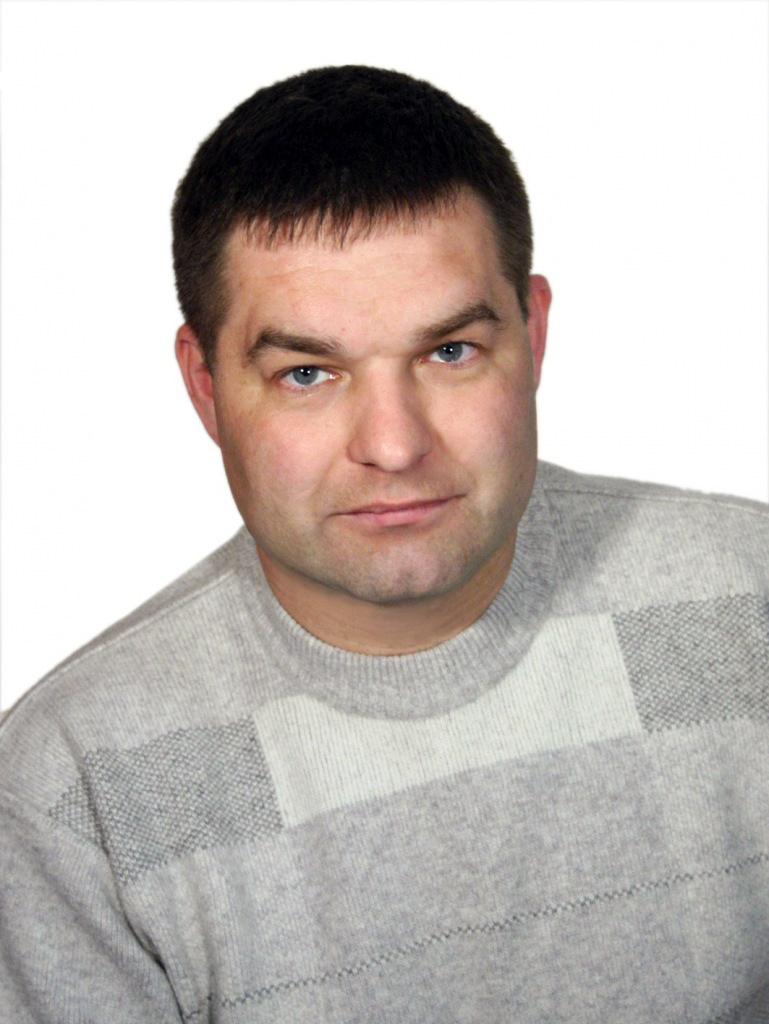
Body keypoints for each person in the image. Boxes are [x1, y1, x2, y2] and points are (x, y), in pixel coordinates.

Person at [1, 65, 767, 1023]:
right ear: (205, 386)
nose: (394, 445)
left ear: (531, 335)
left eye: (448, 352)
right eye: (307, 373)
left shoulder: (749, 607)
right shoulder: (77, 791)